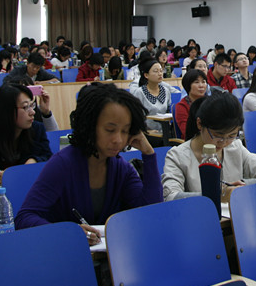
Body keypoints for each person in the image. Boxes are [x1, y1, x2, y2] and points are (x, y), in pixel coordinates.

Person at [15, 84, 163, 236]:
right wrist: (68, 233)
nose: (118, 139)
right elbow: (24, 218)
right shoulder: (63, 164)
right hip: (65, 249)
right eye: (110, 130)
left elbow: (151, 213)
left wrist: (149, 154)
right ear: (90, 126)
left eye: (125, 131)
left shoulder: (121, 168)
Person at [162, 92, 256, 201]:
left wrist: (242, 186)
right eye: (218, 135)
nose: (223, 143)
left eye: (232, 135)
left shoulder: (235, 147)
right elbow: (170, 197)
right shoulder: (177, 156)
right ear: (199, 124)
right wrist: (218, 195)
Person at [131, 59, 174, 131]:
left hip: (165, 131)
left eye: (161, 71)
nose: (160, 74)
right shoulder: (139, 93)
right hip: (147, 132)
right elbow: (136, 117)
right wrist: (147, 131)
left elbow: (168, 112)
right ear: (146, 75)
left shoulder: (166, 91)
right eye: (156, 71)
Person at [174, 69, 208, 137]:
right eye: (196, 82)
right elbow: (187, 131)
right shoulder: (182, 106)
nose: (201, 85)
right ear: (188, 85)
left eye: (203, 82)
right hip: (194, 140)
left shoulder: (210, 102)